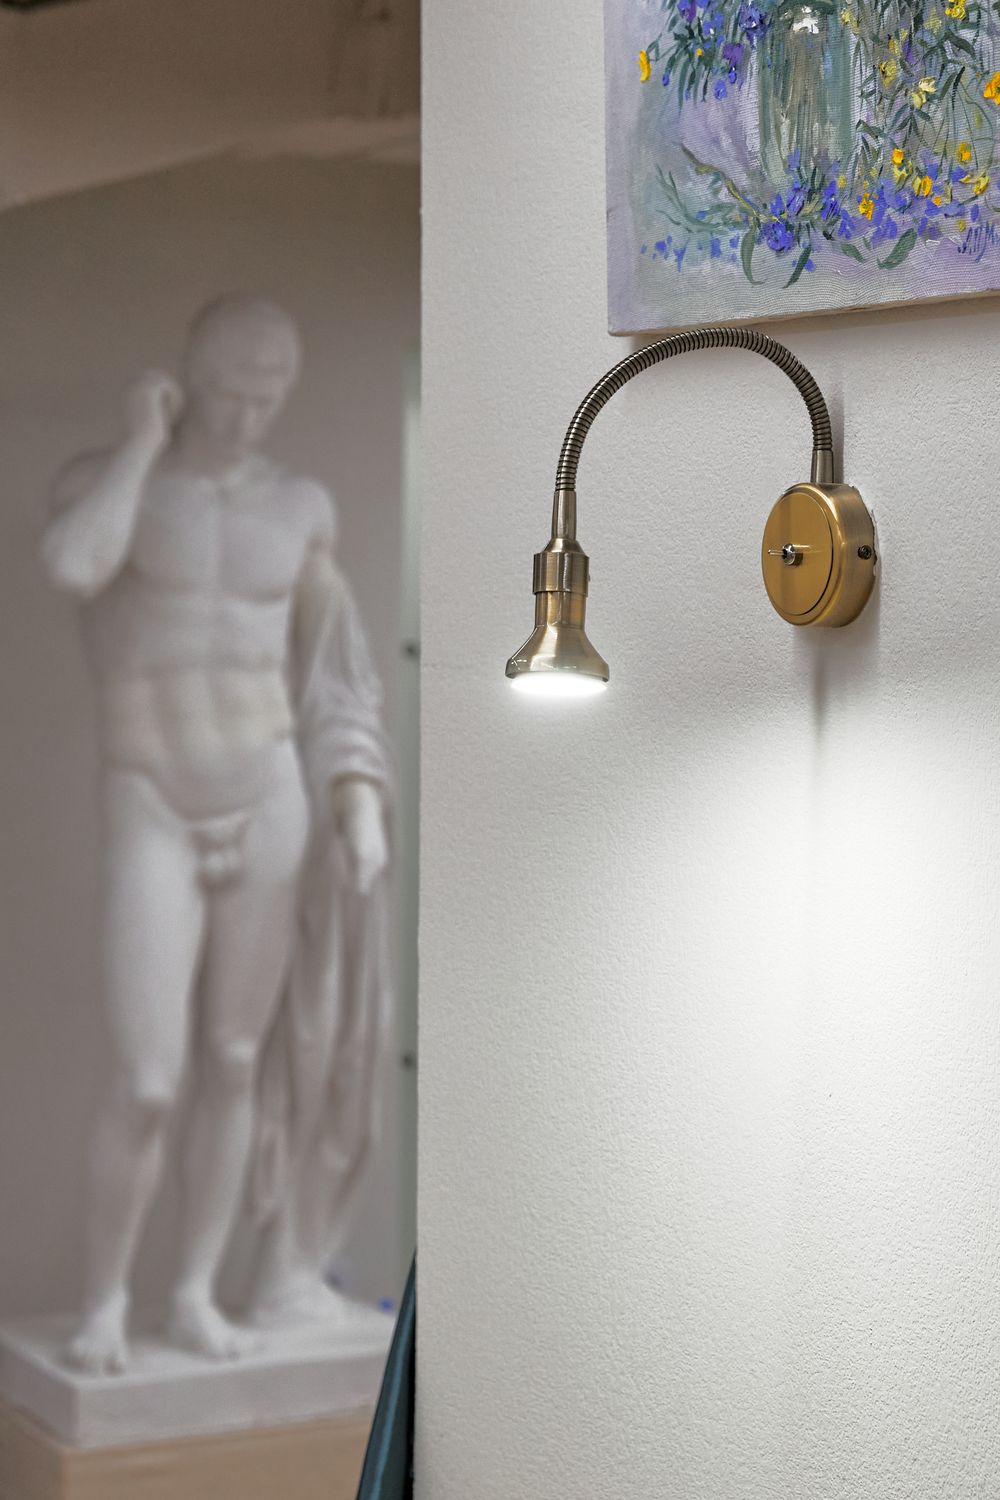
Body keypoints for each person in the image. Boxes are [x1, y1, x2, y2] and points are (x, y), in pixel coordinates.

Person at [42, 296, 391, 1374]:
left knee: (237, 1060)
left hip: (268, 791)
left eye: (268, 395)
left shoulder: (300, 506)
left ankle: (194, 1293)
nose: (247, 414)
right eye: (231, 390)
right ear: (189, 374)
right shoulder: (112, 484)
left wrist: (356, 800)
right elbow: (73, 566)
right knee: (150, 1080)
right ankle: (104, 1303)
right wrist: (142, 442)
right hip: (150, 796)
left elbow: (333, 665)